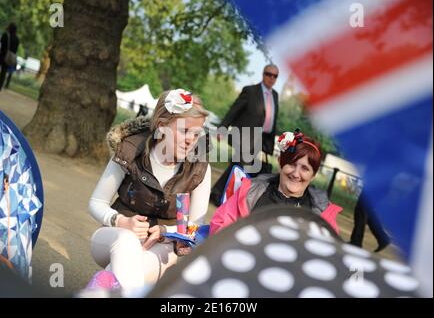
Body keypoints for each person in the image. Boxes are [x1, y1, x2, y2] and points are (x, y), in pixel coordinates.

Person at [88, 89, 212, 291]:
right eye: (184, 131)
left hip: (161, 248)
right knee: (125, 240)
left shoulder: (200, 167)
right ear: (162, 126)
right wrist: (121, 221)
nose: (191, 140)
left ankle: (98, 290)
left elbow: (195, 227)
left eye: (196, 134)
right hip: (112, 238)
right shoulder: (130, 149)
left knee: (112, 279)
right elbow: (96, 203)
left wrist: (166, 232)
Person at [210, 129, 343, 235]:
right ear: (280, 163)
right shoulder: (251, 192)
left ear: (313, 175)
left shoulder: (323, 212)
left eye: (305, 168)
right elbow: (221, 226)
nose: (296, 174)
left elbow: (331, 252)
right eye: (291, 164)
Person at [210, 64, 280, 206]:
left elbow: (272, 119)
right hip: (244, 135)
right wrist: (222, 127)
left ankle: (218, 194)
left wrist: (269, 145)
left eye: (275, 76)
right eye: (268, 74)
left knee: (239, 166)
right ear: (263, 74)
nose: (271, 78)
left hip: (261, 139)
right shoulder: (250, 91)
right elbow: (234, 110)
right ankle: (220, 196)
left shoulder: (275, 95)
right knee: (240, 165)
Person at [0, 23, 19, 94]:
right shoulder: (17, 39)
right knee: (3, 73)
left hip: (1, 56)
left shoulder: (6, 35)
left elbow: (0, 45)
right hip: (9, 58)